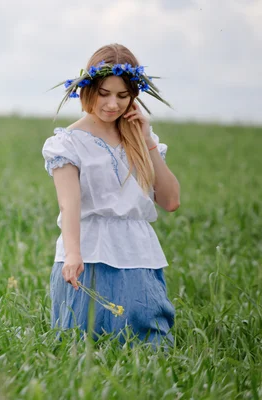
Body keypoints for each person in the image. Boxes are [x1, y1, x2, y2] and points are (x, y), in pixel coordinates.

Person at [42, 44, 180, 347]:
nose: (112, 104)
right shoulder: (67, 143)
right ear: (87, 89)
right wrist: (73, 254)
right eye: (104, 93)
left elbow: (170, 201)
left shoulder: (142, 138)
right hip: (89, 255)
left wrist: (147, 142)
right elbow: (69, 204)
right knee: (82, 345)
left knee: (147, 344)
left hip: (138, 256)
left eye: (122, 95)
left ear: (134, 97)